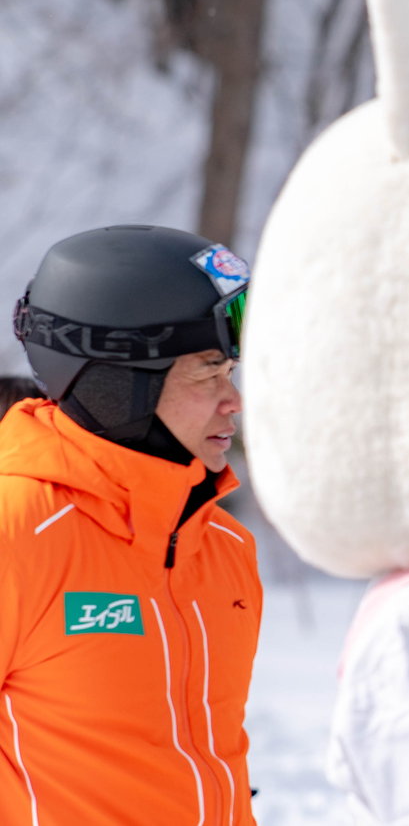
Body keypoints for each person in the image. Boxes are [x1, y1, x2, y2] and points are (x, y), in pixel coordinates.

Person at [0, 225, 260, 824]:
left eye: (231, 371)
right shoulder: (19, 533)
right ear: (121, 382)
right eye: (207, 371)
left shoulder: (223, 547)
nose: (233, 399)